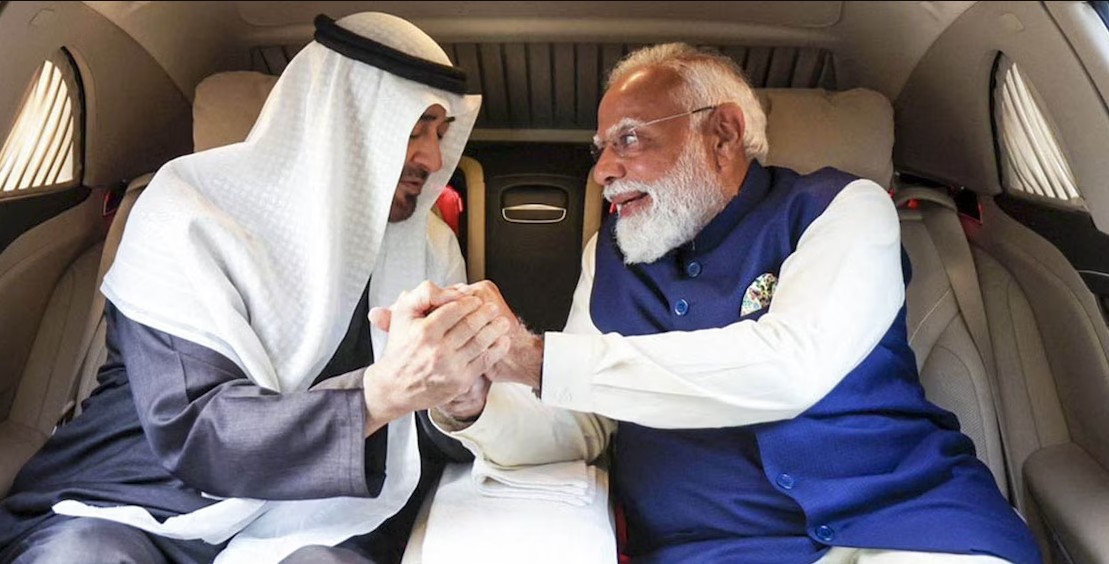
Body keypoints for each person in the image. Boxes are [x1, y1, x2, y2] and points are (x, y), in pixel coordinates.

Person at [419, 43, 1042, 563]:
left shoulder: (843, 208)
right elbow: (581, 425)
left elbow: (789, 368)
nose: (604, 170)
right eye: (601, 148)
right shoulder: (605, 257)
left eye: (629, 140)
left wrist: (535, 358)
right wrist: (473, 401)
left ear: (722, 134)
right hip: (717, 549)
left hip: (914, 524)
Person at [0, 12, 512, 564]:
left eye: (441, 133)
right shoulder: (185, 212)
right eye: (414, 131)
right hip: (140, 500)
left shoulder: (430, 245)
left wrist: (460, 405)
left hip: (323, 513)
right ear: (342, 123)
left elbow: (419, 443)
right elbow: (196, 430)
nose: (433, 159)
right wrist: (380, 393)